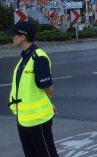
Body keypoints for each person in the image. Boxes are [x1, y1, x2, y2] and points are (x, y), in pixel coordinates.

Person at [4, 21, 58, 157]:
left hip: (38, 119)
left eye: (15, 34)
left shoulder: (38, 57)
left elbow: (48, 88)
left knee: (47, 154)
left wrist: (47, 103)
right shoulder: (25, 56)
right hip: (24, 118)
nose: (12, 37)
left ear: (23, 37)